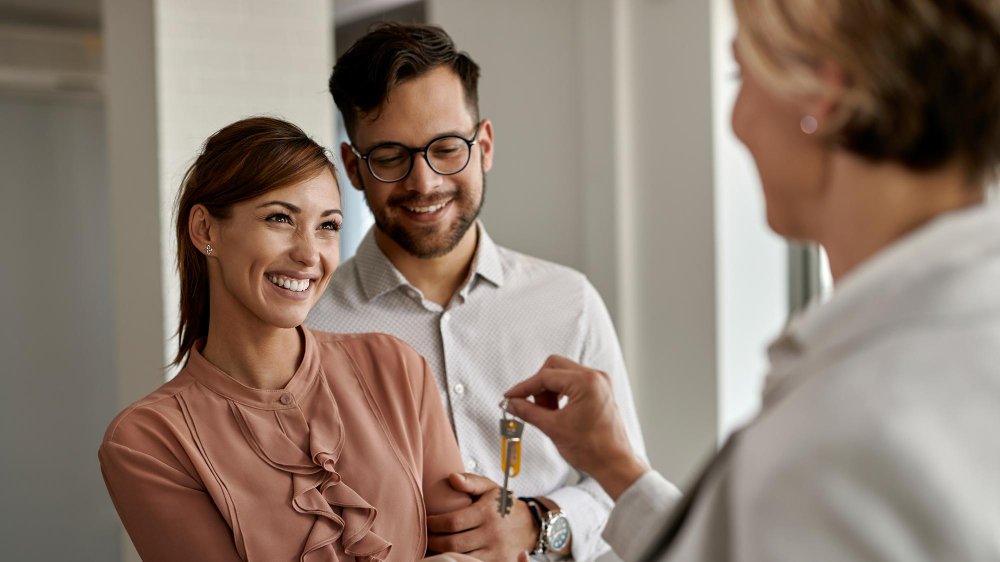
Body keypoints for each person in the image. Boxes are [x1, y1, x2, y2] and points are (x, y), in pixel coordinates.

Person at [505, 1, 1000, 561]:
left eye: (742, 74)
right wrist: (613, 463)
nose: (737, 120)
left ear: (822, 95)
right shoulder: (946, 347)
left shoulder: (855, 430)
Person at [306, 22, 663, 561]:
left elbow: (626, 489)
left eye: (447, 147)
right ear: (355, 169)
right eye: (390, 157)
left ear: (485, 145)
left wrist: (538, 523)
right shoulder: (308, 324)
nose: (424, 183)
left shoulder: (570, 302)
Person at [98, 117, 475, 561]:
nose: (309, 254)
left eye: (328, 226)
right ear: (205, 230)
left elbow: (471, 545)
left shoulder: (395, 367)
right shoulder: (150, 442)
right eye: (280, 218)